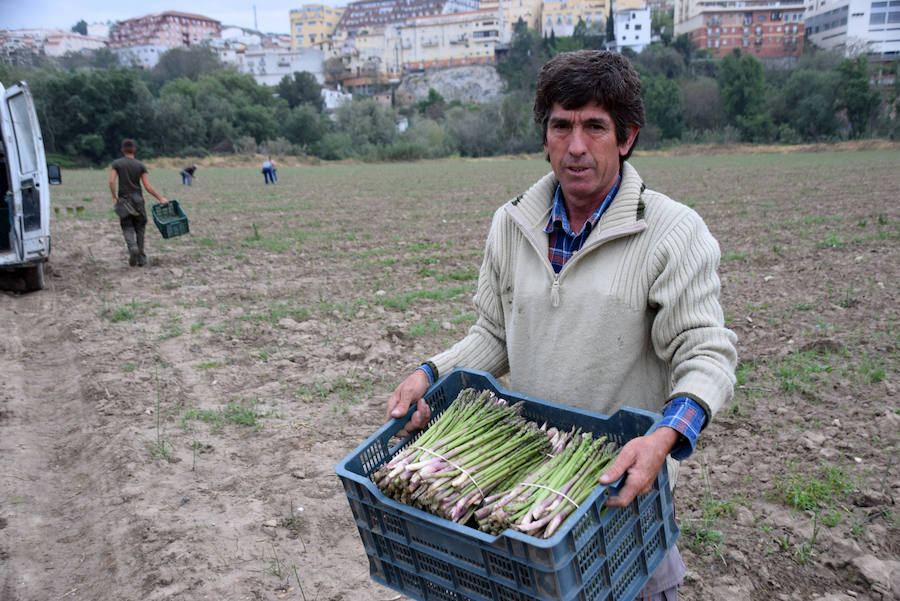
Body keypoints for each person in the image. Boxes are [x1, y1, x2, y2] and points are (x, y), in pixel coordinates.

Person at [386, 50, 737, 600]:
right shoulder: (512, 223)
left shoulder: (672, 232)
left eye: (595, 126)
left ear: (626, 138)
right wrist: (431, 372)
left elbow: (706, 354)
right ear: (544, 135)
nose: (576, 146)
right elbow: (494, 334)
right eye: (561, 126)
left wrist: (664, 438)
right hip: (525, 473)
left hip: (615, 487)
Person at [109, 139, 168, 267]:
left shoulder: (117, 163)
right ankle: (141, 258)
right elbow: (147, 186)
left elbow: (112, 181)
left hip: (124, 200)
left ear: (122, 150)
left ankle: (132, 247)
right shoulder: (140, 165)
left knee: (127, 226)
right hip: (138, 200)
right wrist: (160, 198)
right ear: (134, 150)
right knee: (140, 228)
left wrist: (114, 197)